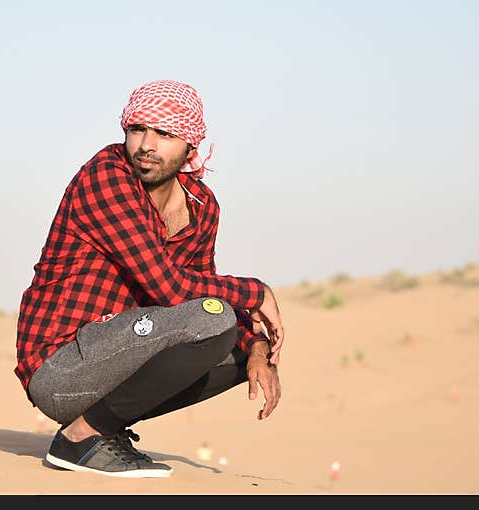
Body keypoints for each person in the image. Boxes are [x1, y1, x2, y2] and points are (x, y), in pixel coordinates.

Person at [14, 79, 284, 478]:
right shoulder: (106, 177)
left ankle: (101, 431)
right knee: (215, 318)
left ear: (191, 146)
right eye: (137, 130)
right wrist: (256, 292)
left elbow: (199, 295)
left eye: (165, 134)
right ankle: (81, 439)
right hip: (59, 369)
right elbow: (171, 289)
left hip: (122, 354)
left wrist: (258, 345)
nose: (147, 145)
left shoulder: (202, 206)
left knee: (231, 345)